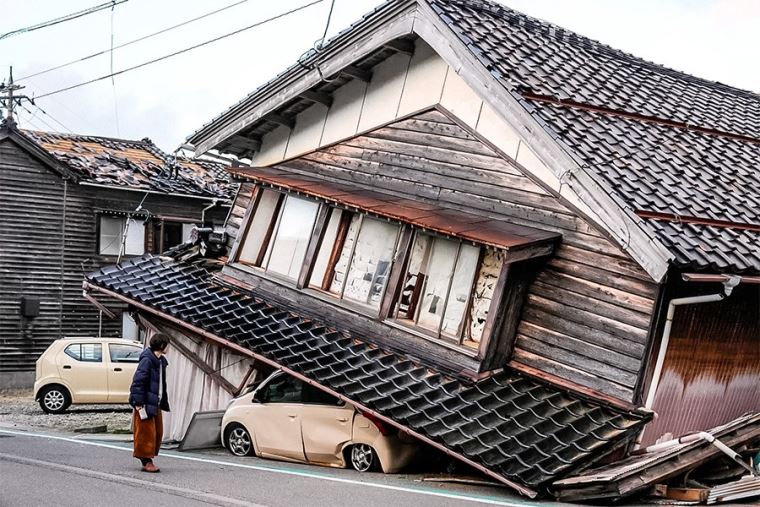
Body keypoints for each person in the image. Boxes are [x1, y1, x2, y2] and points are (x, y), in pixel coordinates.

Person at [129, 333, 171, 473]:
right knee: (145, 433)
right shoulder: (147, 360)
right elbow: (138, 381)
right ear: (162, 346)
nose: (169, 348)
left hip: (155, 401)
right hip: (145, 402)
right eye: (167, 345)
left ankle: (148, 459)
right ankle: (147, 461)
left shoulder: (160, 361)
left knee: (157, 432)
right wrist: (138, 402)